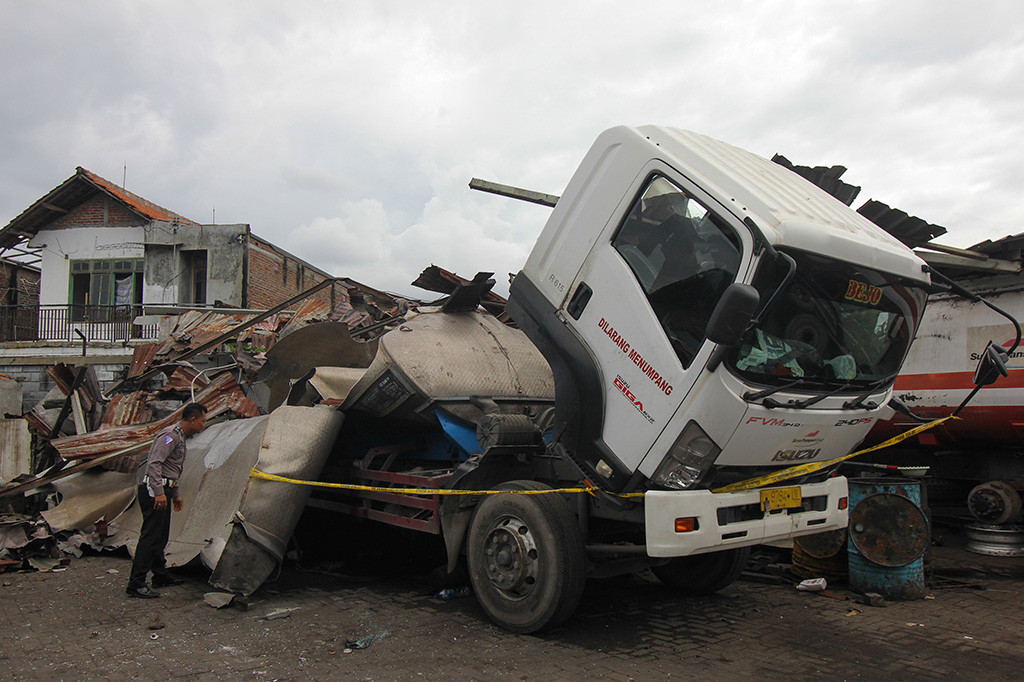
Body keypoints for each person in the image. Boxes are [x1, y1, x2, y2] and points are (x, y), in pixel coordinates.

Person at [125, 403, 207, 599]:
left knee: (161, 535)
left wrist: (175, 492)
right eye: (203, 421)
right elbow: (154, 464)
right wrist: (159, 492)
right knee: (150, 536)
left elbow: (172, 469)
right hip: (155, 490)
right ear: (193, 420)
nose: (204, 425)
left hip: (164, 488)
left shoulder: (179, 437)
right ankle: (136, 583)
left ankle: (160, 575)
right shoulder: (169, 436)